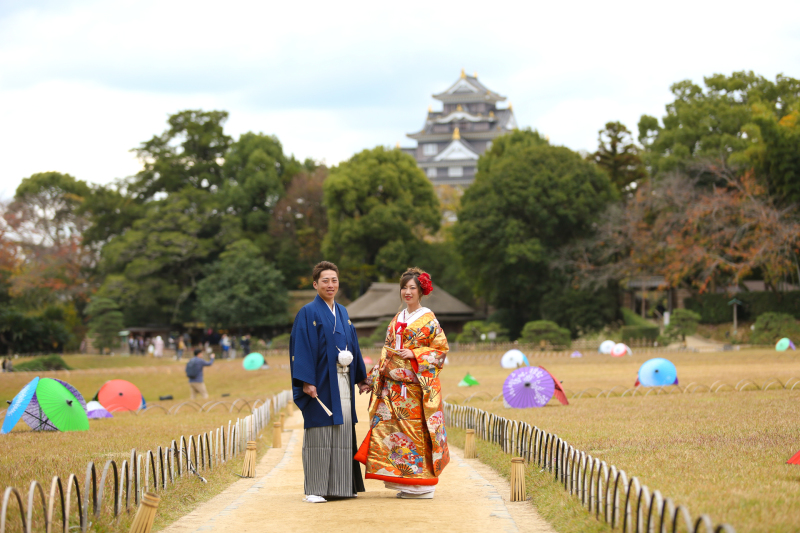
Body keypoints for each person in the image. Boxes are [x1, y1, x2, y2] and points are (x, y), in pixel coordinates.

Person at [355, 267, 450, 499]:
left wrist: (415, 354)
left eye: (412, 288)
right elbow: (386, 353)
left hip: (415, 388)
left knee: (416, 432)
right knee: (395, 434)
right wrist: (372, 378)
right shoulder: (398, 318)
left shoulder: (429, 320)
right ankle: (406, 483)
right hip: (394, 390)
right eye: (404, 288)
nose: (407, 292)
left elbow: (440, 351)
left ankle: (423, 485)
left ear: (421, 291)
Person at [290, 261, 369, 503]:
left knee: (343, 429)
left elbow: (353, 344)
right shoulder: (308, 312)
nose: (330, 285)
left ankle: (340, 487)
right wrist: (306, 380)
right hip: (321, 382)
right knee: (320, 432)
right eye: (325, 280)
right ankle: (315, 488)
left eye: (334, 280)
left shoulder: (343, 312)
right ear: (315, 284)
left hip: (343, 380)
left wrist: (361, 378)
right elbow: (301, 345)